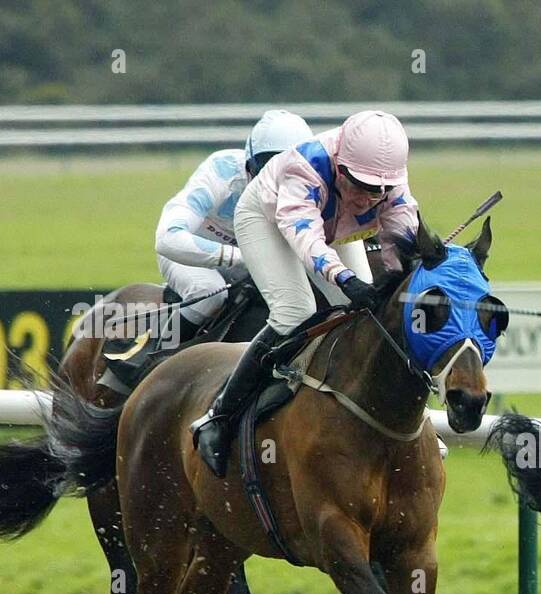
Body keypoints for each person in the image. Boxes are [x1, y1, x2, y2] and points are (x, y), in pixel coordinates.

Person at [191, 110, 420, 477]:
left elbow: (402, 231)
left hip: (333, 223)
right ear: (339, 167)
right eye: (360, 185)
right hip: (268, 217)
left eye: (378, 190)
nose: (368, 198)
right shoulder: (307, 167)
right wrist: (345, 279)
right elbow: (305, 237)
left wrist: (405, 271)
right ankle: (219, 416)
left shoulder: (388, 177)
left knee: (365, 315)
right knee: (294, 310)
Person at [154, 109, 313, 342]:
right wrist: (244, 257)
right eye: (266, 167)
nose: (276, 182)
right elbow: (168, 238)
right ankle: (154, 356)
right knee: (208, 293)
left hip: (251, 261)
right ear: (249, 162)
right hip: (189, 258)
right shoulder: (222, 171)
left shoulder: (314, 184)